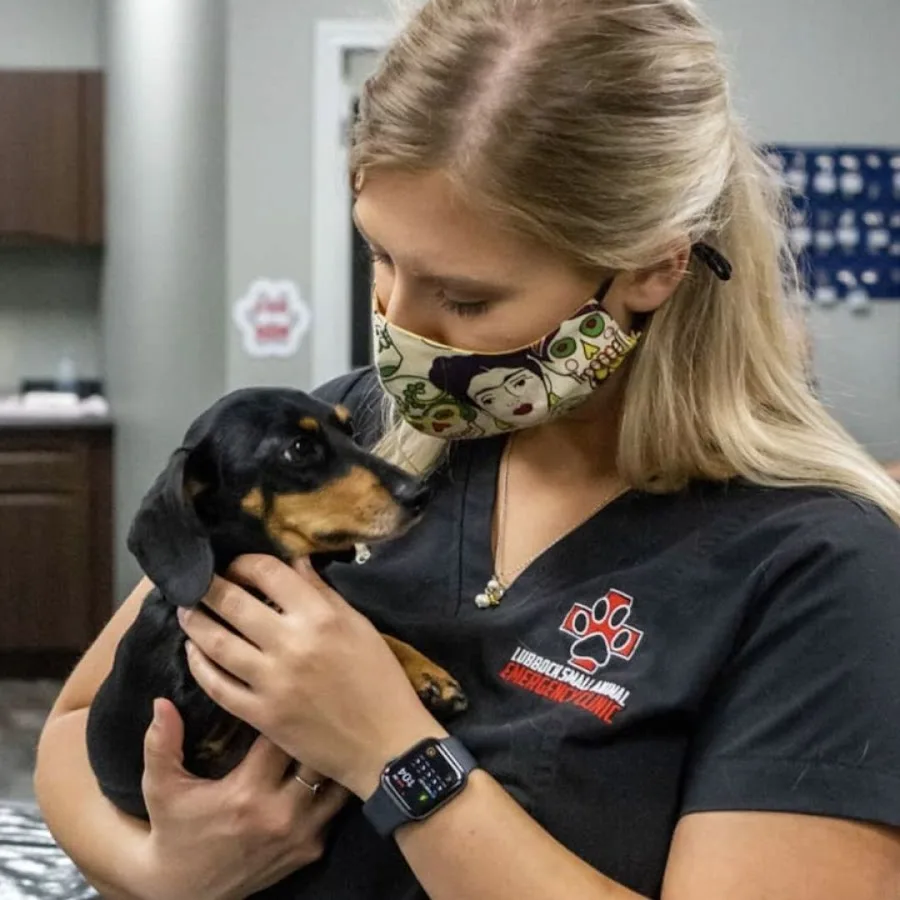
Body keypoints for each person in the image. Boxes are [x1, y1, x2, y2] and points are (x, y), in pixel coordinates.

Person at [34, 0, 900, 898]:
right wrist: (166, 871)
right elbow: (79, 722)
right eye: (381, 258)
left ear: (651, 267)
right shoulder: (344, 437)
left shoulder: (823, 570)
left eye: (468, 298)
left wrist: (394, 752)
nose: (398, 331)